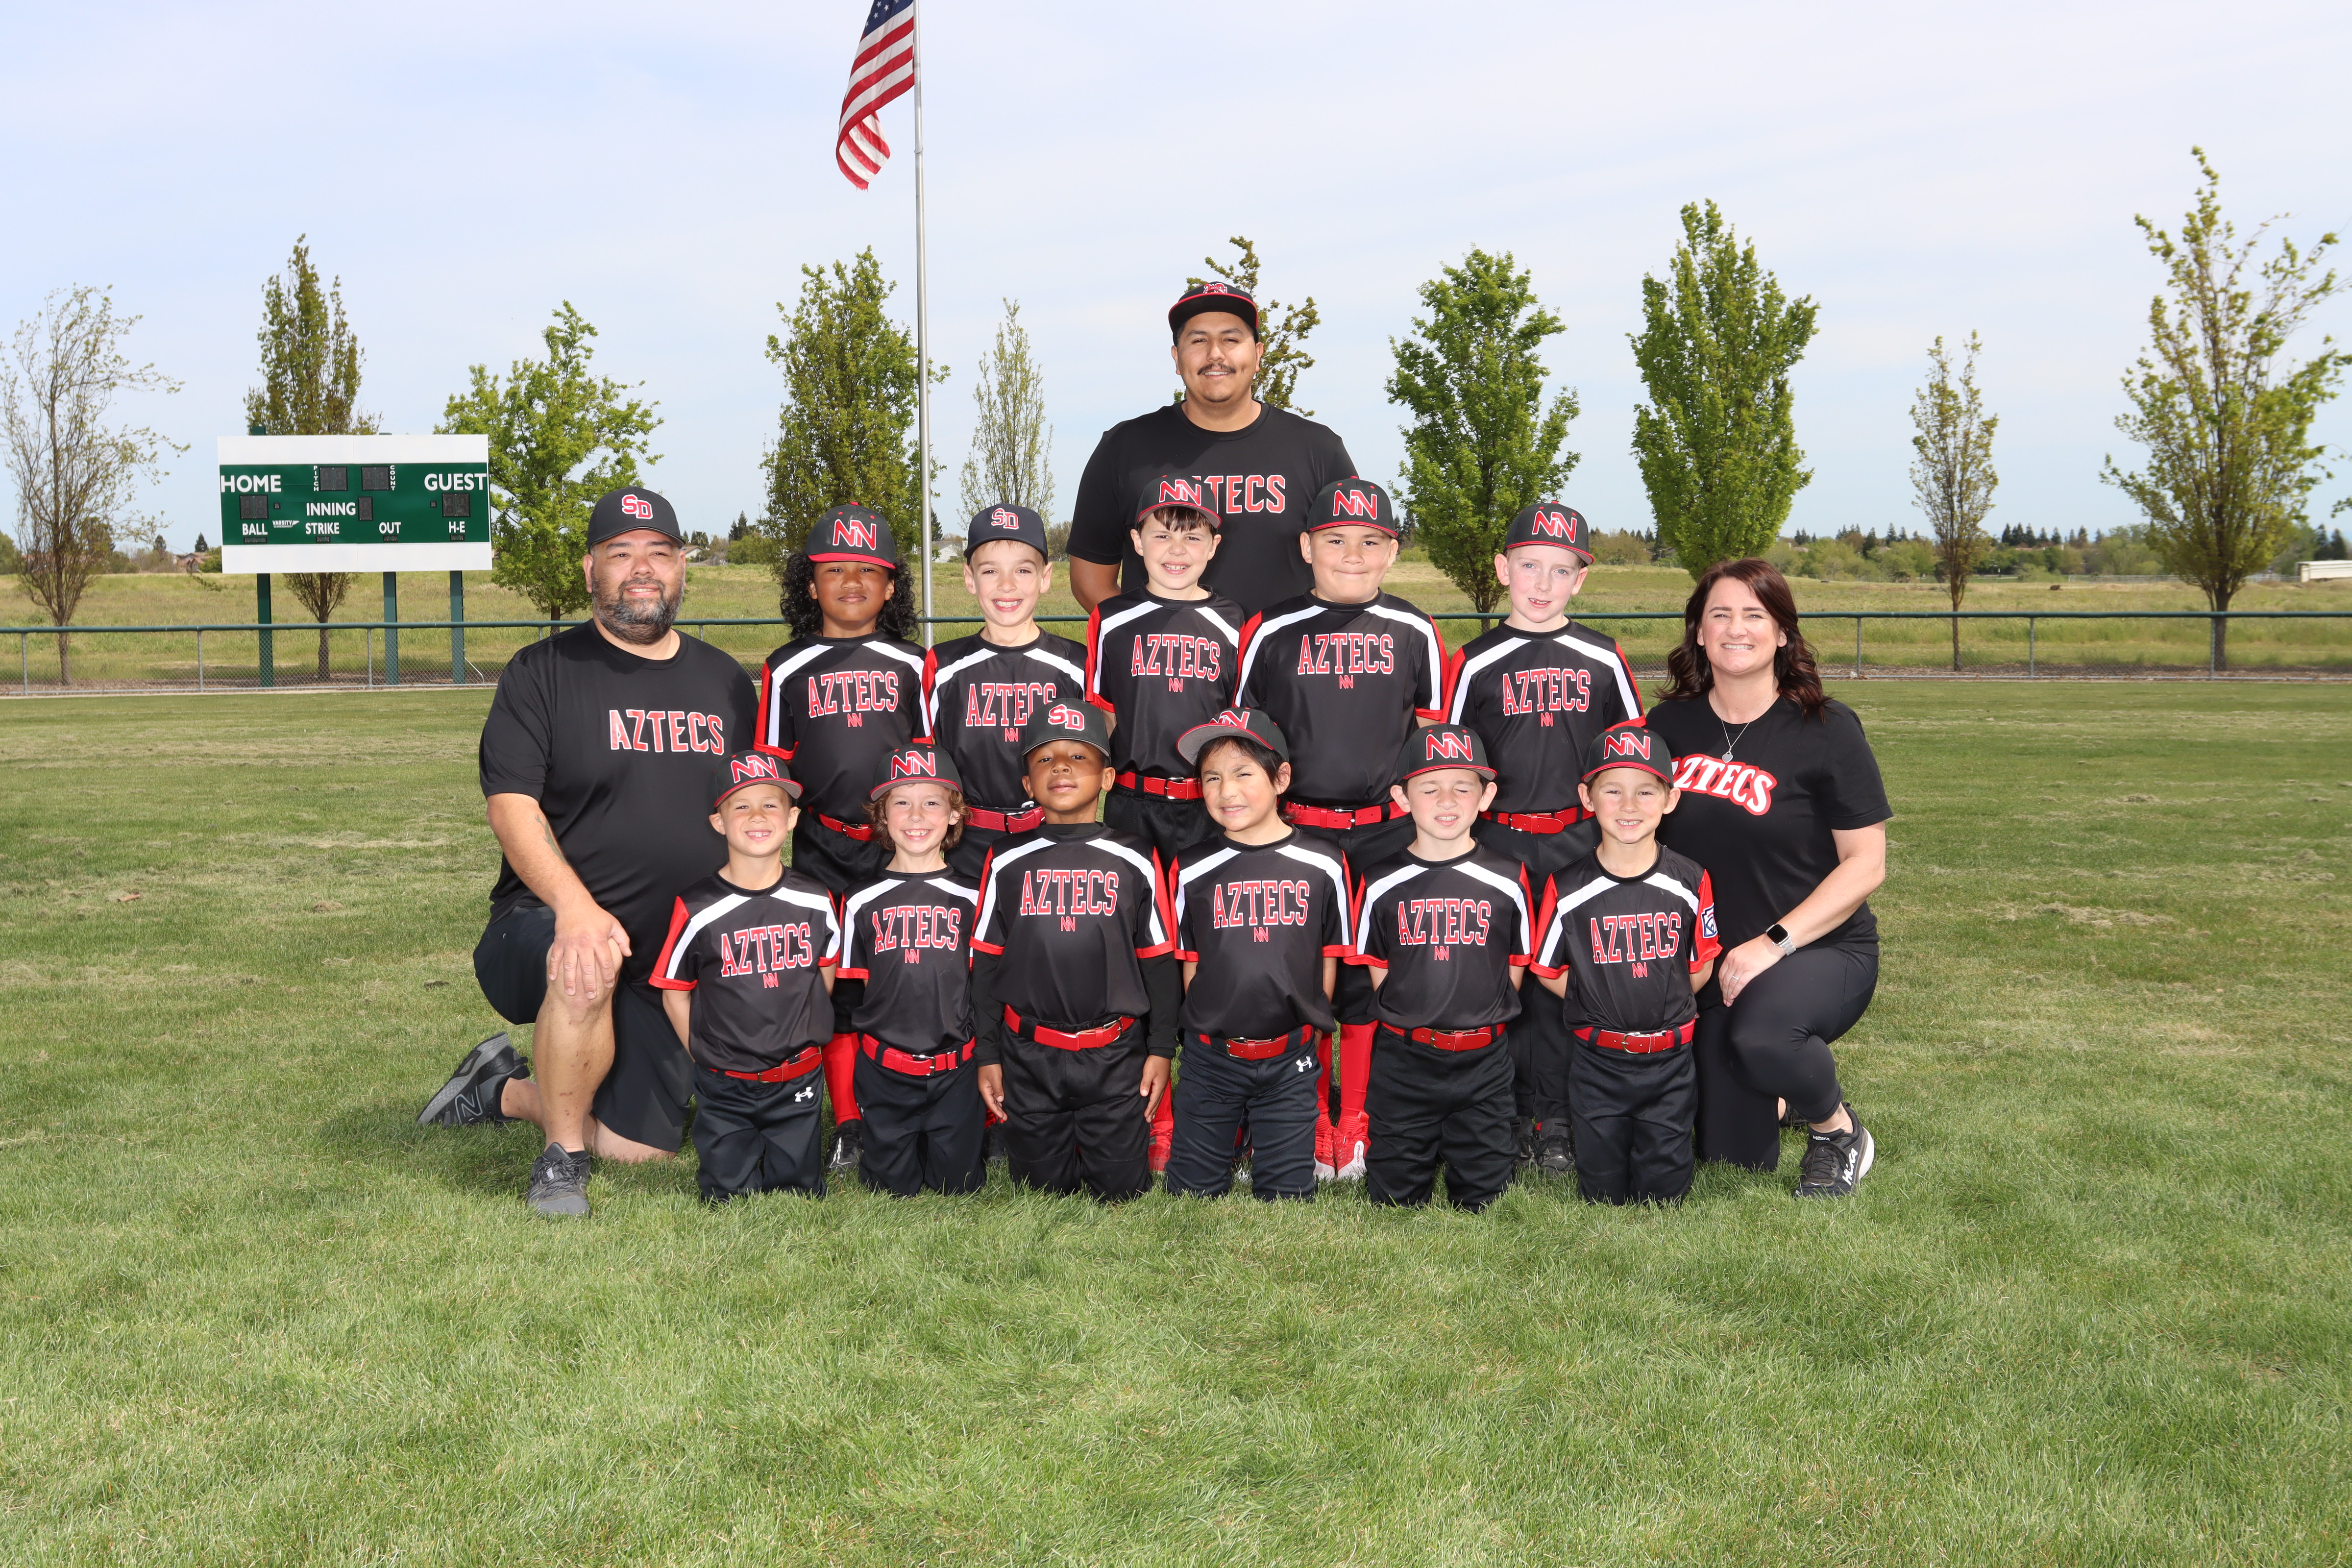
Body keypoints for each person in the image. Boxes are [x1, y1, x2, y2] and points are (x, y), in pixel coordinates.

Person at [418, 486, 757, 1219]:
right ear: (589, 569)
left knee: (641, 1150)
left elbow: (751, 811)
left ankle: (501, 1088)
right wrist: (574, 908)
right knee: (589, 953)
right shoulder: (542, 671)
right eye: (621, 553)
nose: (642, 569)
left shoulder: (727, 682)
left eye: (659, 553)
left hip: (668, 952)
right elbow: (511, 805)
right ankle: (560, 1158)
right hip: (543, 923)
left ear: (681, 567)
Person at [1642, 558, 1890, 1199]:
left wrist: (1773, 943)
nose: (1736, 629)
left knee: (1762, 1035)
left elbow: (1867, 863)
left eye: (1755, 615)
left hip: (1815, 949)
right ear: (1699, 631)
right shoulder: (1667, 728)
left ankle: (1838, 1132)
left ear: (1782, 633)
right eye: (1720, 614)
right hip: (1713, 963)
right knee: (1730, 1151)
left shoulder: (1827, 729)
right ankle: (1783, 1095)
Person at [1235, 476, 1447, 1181]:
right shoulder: (1270, 628)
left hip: (1387, 832)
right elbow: (1246, 739)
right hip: (1298, 830)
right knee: (1299, 975)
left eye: (1370, 540)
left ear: (1392, 551)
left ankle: (1354, 1116)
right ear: (1307, 546)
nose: (1352, 554)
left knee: (1368, 977)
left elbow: (1434, 741)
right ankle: (1304, 1113)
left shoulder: (1415, 629)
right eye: (1335, 539)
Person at [1446, 503, 1643, 1174]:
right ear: (1504, 569)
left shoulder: (1603, 656)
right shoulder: (1475, 660)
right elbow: (1452, 760)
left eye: (1561, 570)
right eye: (1529, 565)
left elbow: (1631, 755)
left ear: (1580, 580)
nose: (1542, 582)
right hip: (1496, 840)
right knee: (1493, 977)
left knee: (1566, 978)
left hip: (1577, 842)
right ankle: (1498, 1111)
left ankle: (1557, 1117)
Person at [753, 502, 931, 1175]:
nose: (851, 583)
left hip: (900, 846)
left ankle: (917, 1106)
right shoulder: (786, 666)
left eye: (868, 571)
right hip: (822, 846)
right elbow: (771, 770)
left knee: (909, 973)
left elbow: (932, 762)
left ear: (891, 587)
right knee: (833, 987)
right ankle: (850, 1125)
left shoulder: (916, 664)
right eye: (834, 570)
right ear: (809, 583)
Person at [968, 701, 1181, 1201]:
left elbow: (1158, 962)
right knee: (1041, 1191)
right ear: (1028, 784)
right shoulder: (1005, 858)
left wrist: (1160, 1049)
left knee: (1121, 1190)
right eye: (1045, 759)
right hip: (1030, 1053)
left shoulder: (1135, 855)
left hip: (1113, 1052)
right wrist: (988, 1053)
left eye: (1078, 756)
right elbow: (987, 962)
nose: (1061, 767)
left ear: (1107, 777)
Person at [1066, 283, 1359, 618]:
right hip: (1162, 653)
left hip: (1285, 653)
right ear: (1177, 358)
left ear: (1258, 355)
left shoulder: (1318, 450)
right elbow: (1089, 579)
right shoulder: (1124, 448)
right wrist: (1143, 636)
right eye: (1198, 341)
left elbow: (1353, 565)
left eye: (1231, 340)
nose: (1215, 354)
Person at [1529, 724, 1720, 1205]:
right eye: (1612, 790)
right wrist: (1598, 996)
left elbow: (1700, 965)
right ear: (1587, 798)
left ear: (1670, 799)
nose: (1629, 805)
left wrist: (1661, 1001)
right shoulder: (1567, 887)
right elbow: (1547, 969)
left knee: (1665, 1192)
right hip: (1598, 1061)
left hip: (1670, 1059)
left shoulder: (1691, 879)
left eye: (1646, 791)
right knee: (1602, 1190)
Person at [1346, 724, 1535, 1211]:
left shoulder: (1509, 877)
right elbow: (1381, 972)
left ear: (1486, 796)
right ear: (1402, 798)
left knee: (1486, 1198)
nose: (1447, 800)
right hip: (1405, 1060)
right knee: (1394, 1198)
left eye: (1463, 787)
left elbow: (1512, 970)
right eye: (1429, 788)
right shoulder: (1380, 880)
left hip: (1484, 1060)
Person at [1164, 709, 1350, 1200]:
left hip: (1290, 1058)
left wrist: (1305, 1026)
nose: (1227, 791)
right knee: (1191, 1193)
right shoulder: (1191, 867)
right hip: (1211, 1058)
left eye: (1244, 773)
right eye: (1212, 778)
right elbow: (1190, 961)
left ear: (1281, 778)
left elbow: (1327, 958)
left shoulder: (1325, 863)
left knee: (1288, 1196)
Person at [649, 753, 840, 1202]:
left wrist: (801, 1027)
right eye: (741, 806)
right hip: (725, 1079)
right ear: (719, 822)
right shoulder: (697, 907)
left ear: (792, 818)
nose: (757, 816)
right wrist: (701, 1053)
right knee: (727, 1194)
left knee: (799, 1193)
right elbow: (675, 992)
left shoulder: (815, 899)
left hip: (797, 1074)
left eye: (771, 805)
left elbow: (825, 971)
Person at [835, 742, 985, 1197]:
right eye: (901, 803)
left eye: (932, 803)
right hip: (885, 1069)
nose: (917, 816)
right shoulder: (859, 900)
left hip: (956, 1069)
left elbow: (985, 991)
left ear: (955, 814)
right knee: (890, 1188)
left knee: (958, 1186)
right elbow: (850, 997)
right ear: (882, 817)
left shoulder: (975, 897)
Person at [1082, 473, 1246, 865]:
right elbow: (1103, 716)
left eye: (1193, 537)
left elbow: (1240, 720)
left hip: (1211, 802)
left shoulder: (1235, 622)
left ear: (1214, 546)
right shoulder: (1111, 619)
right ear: (1138, 541)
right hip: (1132, 801)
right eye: (1162, 535)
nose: (1177, 550)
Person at [924, 504, 1087, 882]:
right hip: (968, 844)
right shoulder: (943, 665)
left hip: (1054, 835)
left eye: (1023, 570)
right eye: (990, 571)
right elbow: (926, 763)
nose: (1007, 585)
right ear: (970, 578)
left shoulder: (1077, 664)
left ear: (1046, 577)